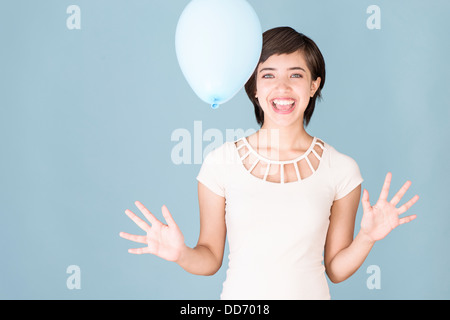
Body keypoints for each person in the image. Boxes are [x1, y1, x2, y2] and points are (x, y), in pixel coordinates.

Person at [119, 27, 419, 299]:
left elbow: (336, 270)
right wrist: (181, 253)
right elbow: (210, 257)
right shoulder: (220, 162)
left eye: (296, 75)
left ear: (314, 86)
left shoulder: (341, 170)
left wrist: (366, 237)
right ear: (254, 87)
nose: (283, 87)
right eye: (268, 75)